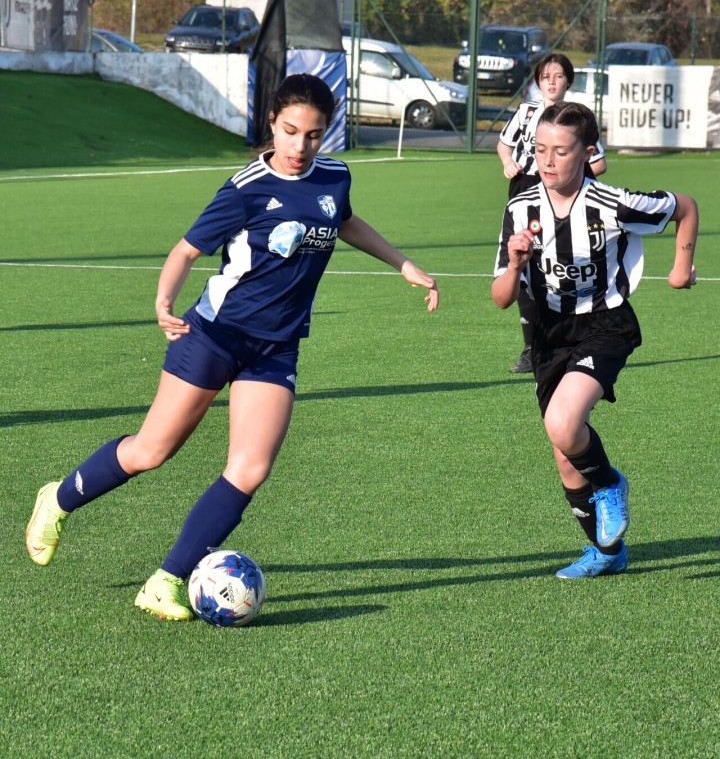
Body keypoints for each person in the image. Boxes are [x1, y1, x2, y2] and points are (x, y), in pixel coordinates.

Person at [25, 73, 440, 620]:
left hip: (277, 349)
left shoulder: (335, 177)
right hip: (214, 336)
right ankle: (57, 499)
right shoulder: (245, 189)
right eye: (290, 131)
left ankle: (166, 579)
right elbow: (185, 252)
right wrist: (163, 301)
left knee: (250, 468)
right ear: (271, 123)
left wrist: (403, 264)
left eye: (313, 135)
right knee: (152, 451)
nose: (300, 146)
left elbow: (345, 223)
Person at [492, 101, 698, 579]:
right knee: (566, 460)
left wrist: (681, 266)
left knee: (564, 425)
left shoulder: (611, 203)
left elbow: (685, 207)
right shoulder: (520, 208)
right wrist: (518, 263)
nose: (546, 161)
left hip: (605, 324)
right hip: (549, 334)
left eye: (560, 151)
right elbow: (501, 296)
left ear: (587, 154)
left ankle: (610, 486)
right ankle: (608, 554)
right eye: (540, 149)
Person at [497, 54, 607, 374]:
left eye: (558, 76)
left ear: (568, 81)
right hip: (526, 187)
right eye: (545, 76)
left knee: (566, 261)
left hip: (563, 190)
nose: (551, 81)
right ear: (537, 80)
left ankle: (579, 338)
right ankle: (532, 347)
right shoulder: (526, 111)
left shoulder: (576, 117)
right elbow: (504, 145)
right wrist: (507, 162)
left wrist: (571, 169)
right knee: (522, 263)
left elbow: (599, 162)